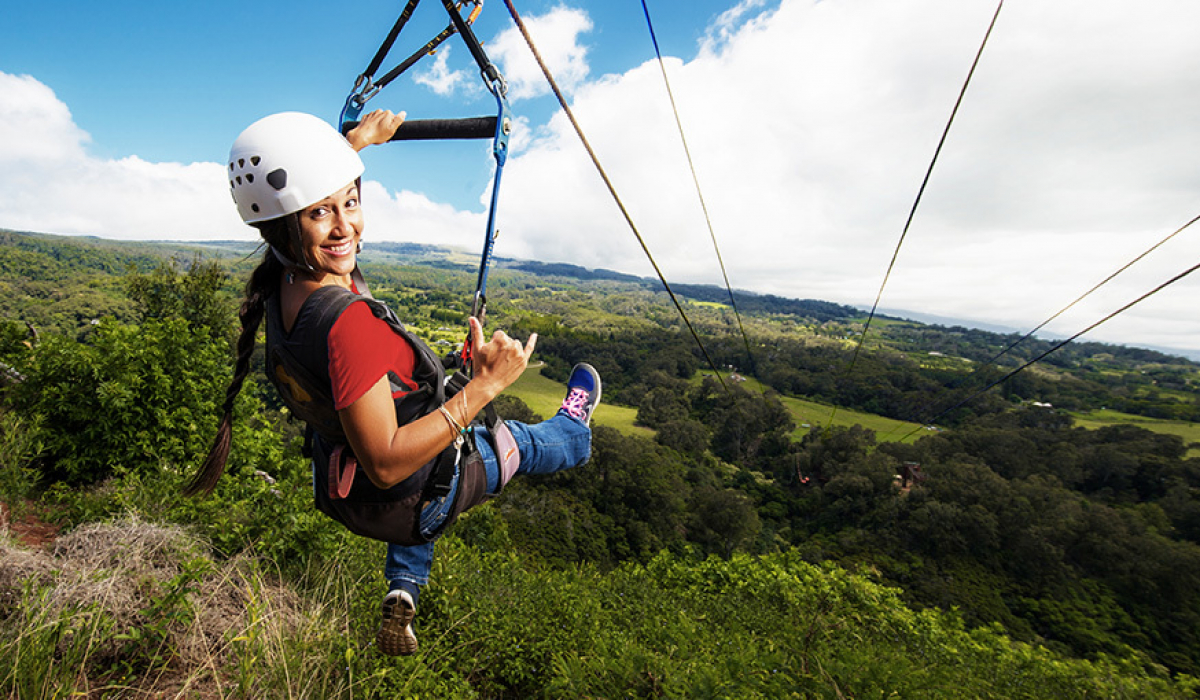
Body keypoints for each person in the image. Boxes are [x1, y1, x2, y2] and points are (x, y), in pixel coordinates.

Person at [187, 109, 600, 656]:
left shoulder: (283, 288)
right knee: (513, 440)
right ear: (285, 225)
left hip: (349, 494)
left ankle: (404, 585)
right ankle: (575, 431)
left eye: (350, 203)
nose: (345, 227)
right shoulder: (347, 325)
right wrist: (486, 386)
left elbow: (313, 212)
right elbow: (385, 460)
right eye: (320, 213)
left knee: (427, 438)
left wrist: (354, 144)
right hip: (401, 488)